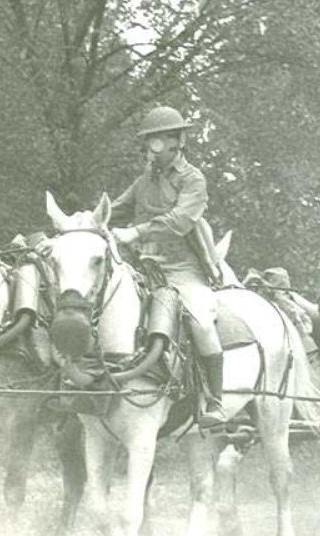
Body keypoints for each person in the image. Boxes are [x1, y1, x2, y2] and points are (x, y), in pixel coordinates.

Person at [109, 105, 226, 428]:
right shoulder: (143, 181)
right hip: (144, 267)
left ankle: (214, 400)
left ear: (176, 142)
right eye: (148, 142)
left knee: (201, 322)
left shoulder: (193, 180)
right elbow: (115, 211)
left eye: (157, 141)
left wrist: (137, 231)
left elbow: (180, 221)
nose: (151, 149)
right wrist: (83, 225)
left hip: (183, 270)